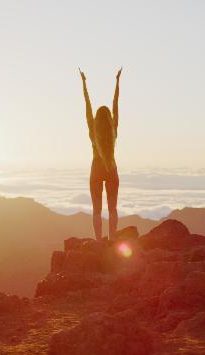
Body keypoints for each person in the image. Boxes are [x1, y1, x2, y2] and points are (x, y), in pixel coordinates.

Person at [79, 67, 121, 240]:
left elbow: (87, 106)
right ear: (109, 118)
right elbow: (115, 104)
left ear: (96, 118)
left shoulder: (92, 130)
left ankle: (98, 242)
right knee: (112, 209)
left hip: (96, 168)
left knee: (97, 210)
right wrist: (117, 82)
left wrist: (84, 83)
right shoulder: (113, 129)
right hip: (111, 168)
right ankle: (112, 240)